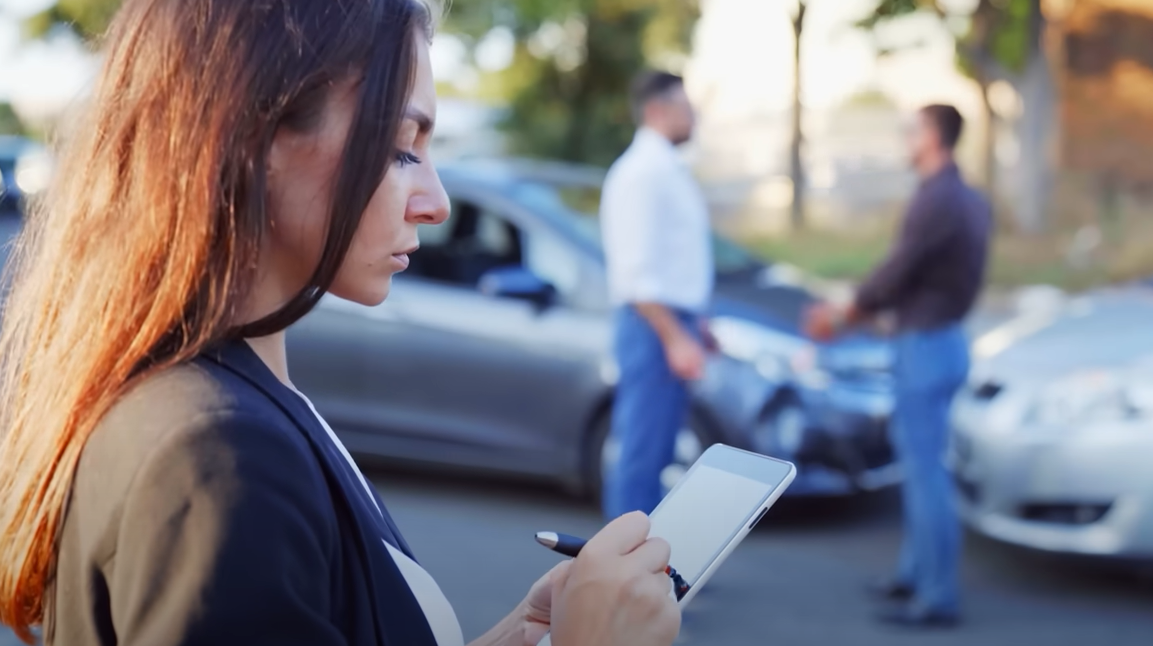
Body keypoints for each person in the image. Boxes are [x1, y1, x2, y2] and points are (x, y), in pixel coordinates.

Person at [0, 2, 682, 645]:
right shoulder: (215, 454)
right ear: (251, 139)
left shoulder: (237, 395)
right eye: (398, 149)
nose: (436, 203)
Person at [806, 104, 991, 628]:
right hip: (944, 338)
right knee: (922, 467)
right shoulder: (971, 199)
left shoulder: (936, 199)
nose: (905, 141)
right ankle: (915, 573)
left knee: (927, 473)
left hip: (926, 348)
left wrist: (843, 314)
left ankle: (937, 596)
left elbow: (895, 273)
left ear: (933, 136)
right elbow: (930, 280)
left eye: (911, 131)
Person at [599, 71, 714, 521]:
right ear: (656, 111)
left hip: (672, 322)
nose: (694, 116)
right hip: (651, 327)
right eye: (685, 108)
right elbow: (635, 273)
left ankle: (649, 569)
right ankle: (621, 573)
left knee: (660, 452)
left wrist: (696, 326)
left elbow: (674, 261)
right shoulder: (641, 174)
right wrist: (675, 336)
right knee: (642, 453)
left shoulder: (666, 168)